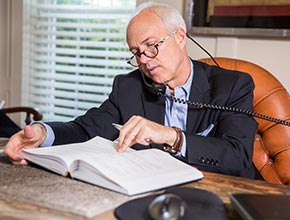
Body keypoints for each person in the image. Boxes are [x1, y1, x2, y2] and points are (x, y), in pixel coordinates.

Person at [4, 2, 261, 179]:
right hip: (153, 193)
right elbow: (85, 129)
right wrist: (42, 133)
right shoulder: (128, 86)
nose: (145, 60)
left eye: (152, 46)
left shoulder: (233, 85)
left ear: (180, 37)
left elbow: (237, 157)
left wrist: (172, 136)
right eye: (136, 53)